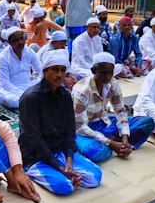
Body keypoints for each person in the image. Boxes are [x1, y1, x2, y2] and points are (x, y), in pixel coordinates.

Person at [19, 49, 102, 194]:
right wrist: (60, 167)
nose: (59, 75)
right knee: (64, 186)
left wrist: (69, 161)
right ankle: (56, 174)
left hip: (60, 151)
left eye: (63, 70)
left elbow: (70, 132)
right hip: (36, 156)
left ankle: (67, 172)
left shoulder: (65, 96)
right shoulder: (30, 99)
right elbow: (34, 140)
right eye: (55, 70)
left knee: (96, 177)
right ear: (44, 71)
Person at [72, 52, 155, 162]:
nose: (107, 77)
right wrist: (110, 142)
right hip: (84, 130)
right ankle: (112, 142)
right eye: (103, 73)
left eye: (110, 72)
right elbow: (80, 127)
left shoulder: (112, 83)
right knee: (94, 151)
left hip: (104, 123)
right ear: (93, 71)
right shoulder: (82, 91)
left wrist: (124, 136)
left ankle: (118, 142)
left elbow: (120, 111)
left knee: (147, 122)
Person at [0, 27, 42, 108]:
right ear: (9, 42)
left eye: (21, 39)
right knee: (14, 101)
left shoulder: (29, 52)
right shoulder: (3, 57)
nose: (20, 42)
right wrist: (24, 94)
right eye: (16, 40)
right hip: (10, 89)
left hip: (27, 85)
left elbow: (41, 69)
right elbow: (5, 83)